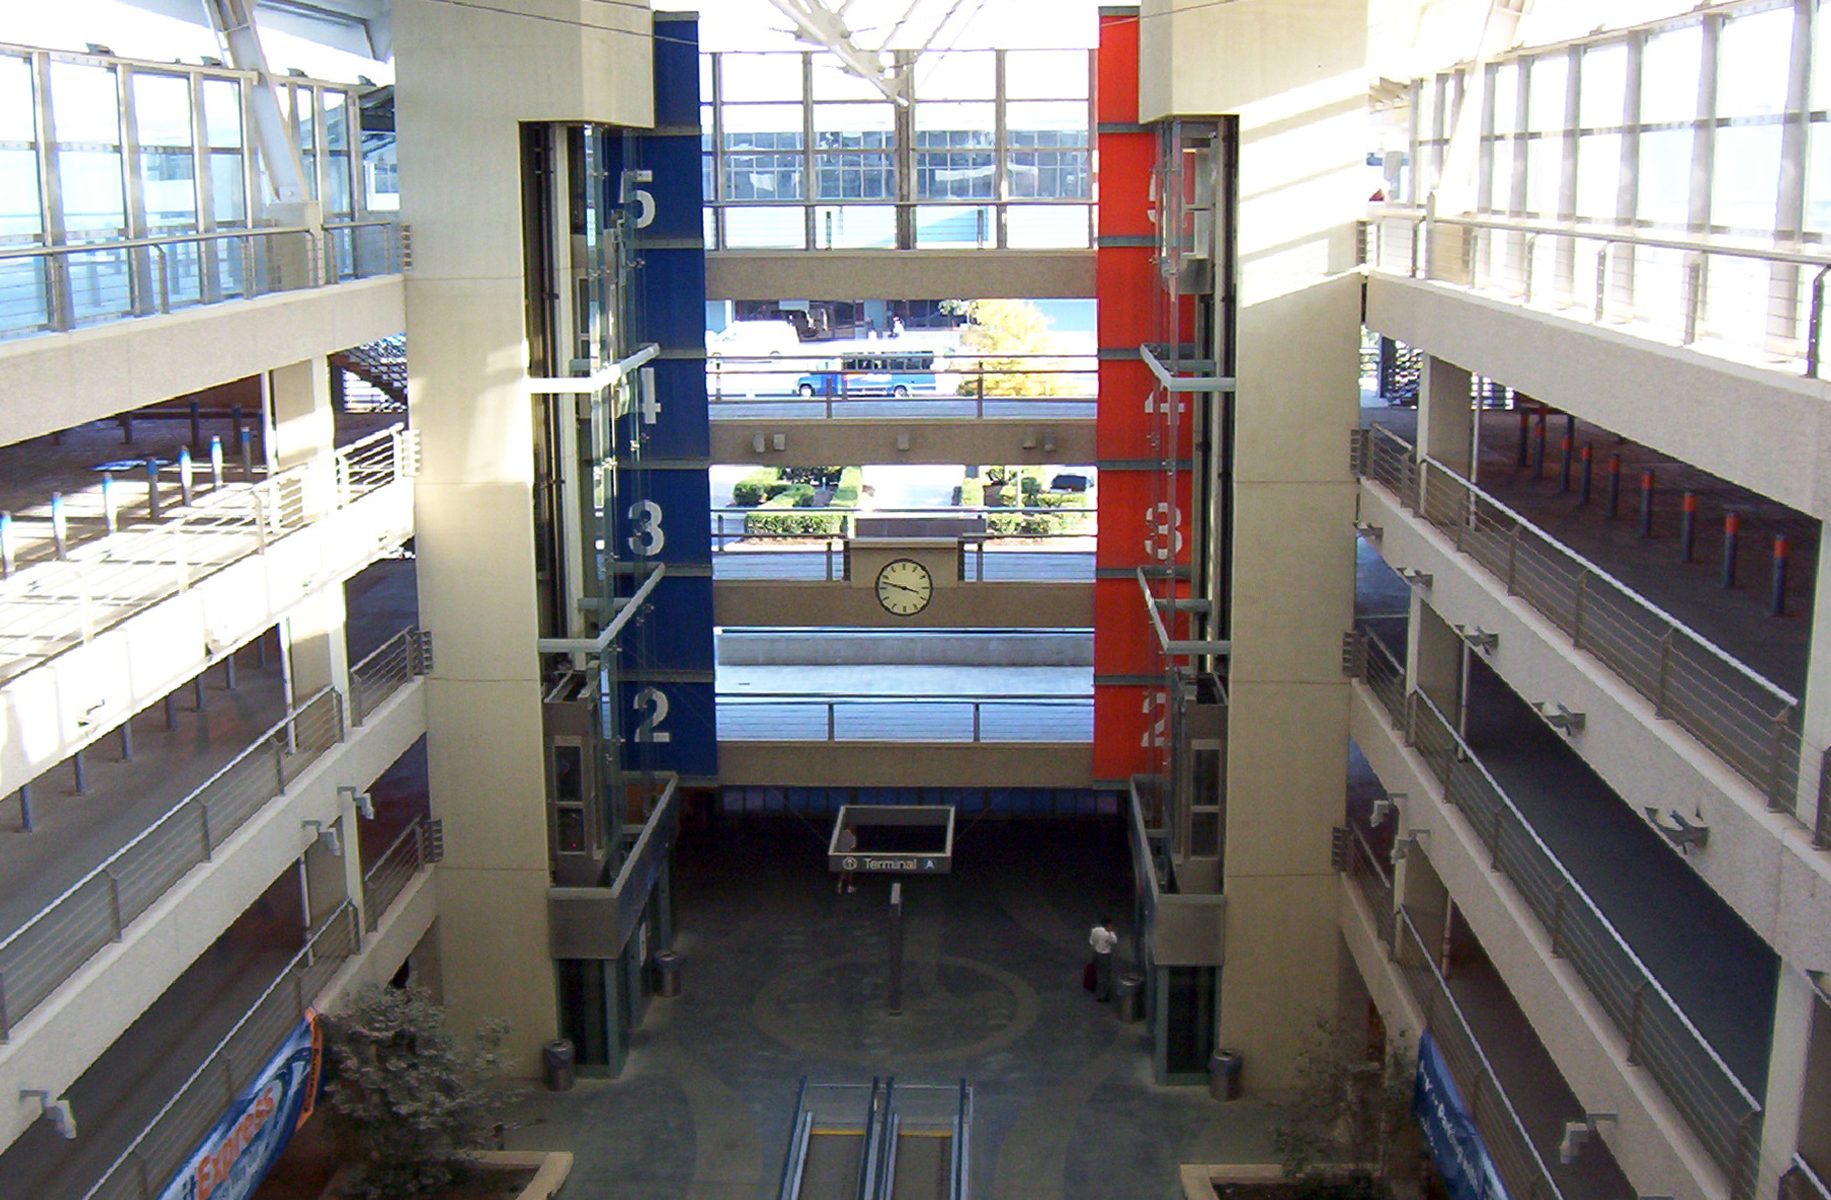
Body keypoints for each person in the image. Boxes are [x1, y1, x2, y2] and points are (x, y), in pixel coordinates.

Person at [1088, 916, 1118, 1001]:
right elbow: (1114, 941)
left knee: (1098, 972)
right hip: (1105, 955)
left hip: (1096, 953)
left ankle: (1095, 988)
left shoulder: (1095, 930)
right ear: (1108, 925)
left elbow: (1091, 941)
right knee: (1104, 976)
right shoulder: (1107, 934)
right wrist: (1110, 933)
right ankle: (1102, 995)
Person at [835, 825, 858, 894]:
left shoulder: (841, 834)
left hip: (839, 855)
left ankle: (840, 886)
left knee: (843, 871)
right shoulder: (853, 837)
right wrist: (852, 857)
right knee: (849, 871)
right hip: (848, 855)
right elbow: (852, 848)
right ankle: (849, 887)